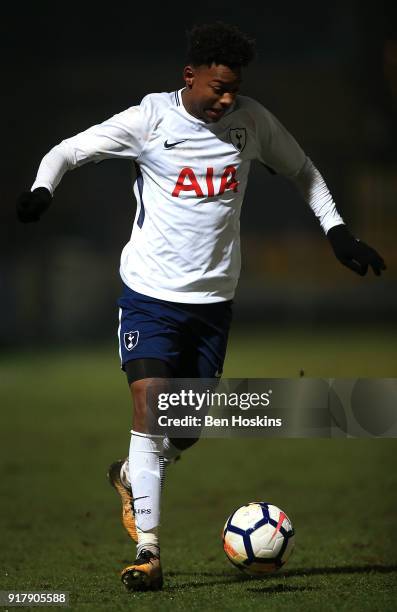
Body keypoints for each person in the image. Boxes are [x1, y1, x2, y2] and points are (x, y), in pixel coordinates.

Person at [16, 22, 386, 592]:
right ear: (191, 76)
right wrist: (43, 190)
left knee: (182, 431)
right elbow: (68, 151)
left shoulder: (253, 122)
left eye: (234, 88)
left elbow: (304, 171)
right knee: (150, 405)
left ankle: (132, 474)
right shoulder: (149, 121)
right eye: (217, 87)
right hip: (148, 297)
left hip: (212, 303)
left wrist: (337, 232)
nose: (226, 99)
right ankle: (149, 552)